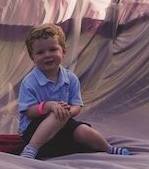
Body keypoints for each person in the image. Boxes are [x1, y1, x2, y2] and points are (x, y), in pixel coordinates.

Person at [15, 23, 132, 159]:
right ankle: (31, 148)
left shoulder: (70, 78)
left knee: (83, 131)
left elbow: (77, 105)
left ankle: (108, 148)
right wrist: (49, 106)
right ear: (32, 57)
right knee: (56, 113)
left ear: (63, 51)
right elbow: (28, 112)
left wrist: (68, 111)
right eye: (40, 52)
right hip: (33, 129)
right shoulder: (29, 82)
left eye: (53, 49)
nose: (47, 55)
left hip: (63, 122)